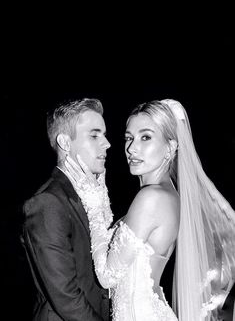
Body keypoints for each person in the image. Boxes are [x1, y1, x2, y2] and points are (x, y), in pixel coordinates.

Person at [64, 99, 235, 321]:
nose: (132, 148)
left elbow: (107, 276)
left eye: (146, 137)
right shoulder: (168, 195)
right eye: (128, 138)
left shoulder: (151, 198)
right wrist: (101, 198)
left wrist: (95, 204)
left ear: (171, 147)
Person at [21, 98, 112, 321]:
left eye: (104, 134)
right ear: (65, 142)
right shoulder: (47, 203)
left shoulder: (94, 194)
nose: (107, 143)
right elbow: (67, 299)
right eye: (94, 135)